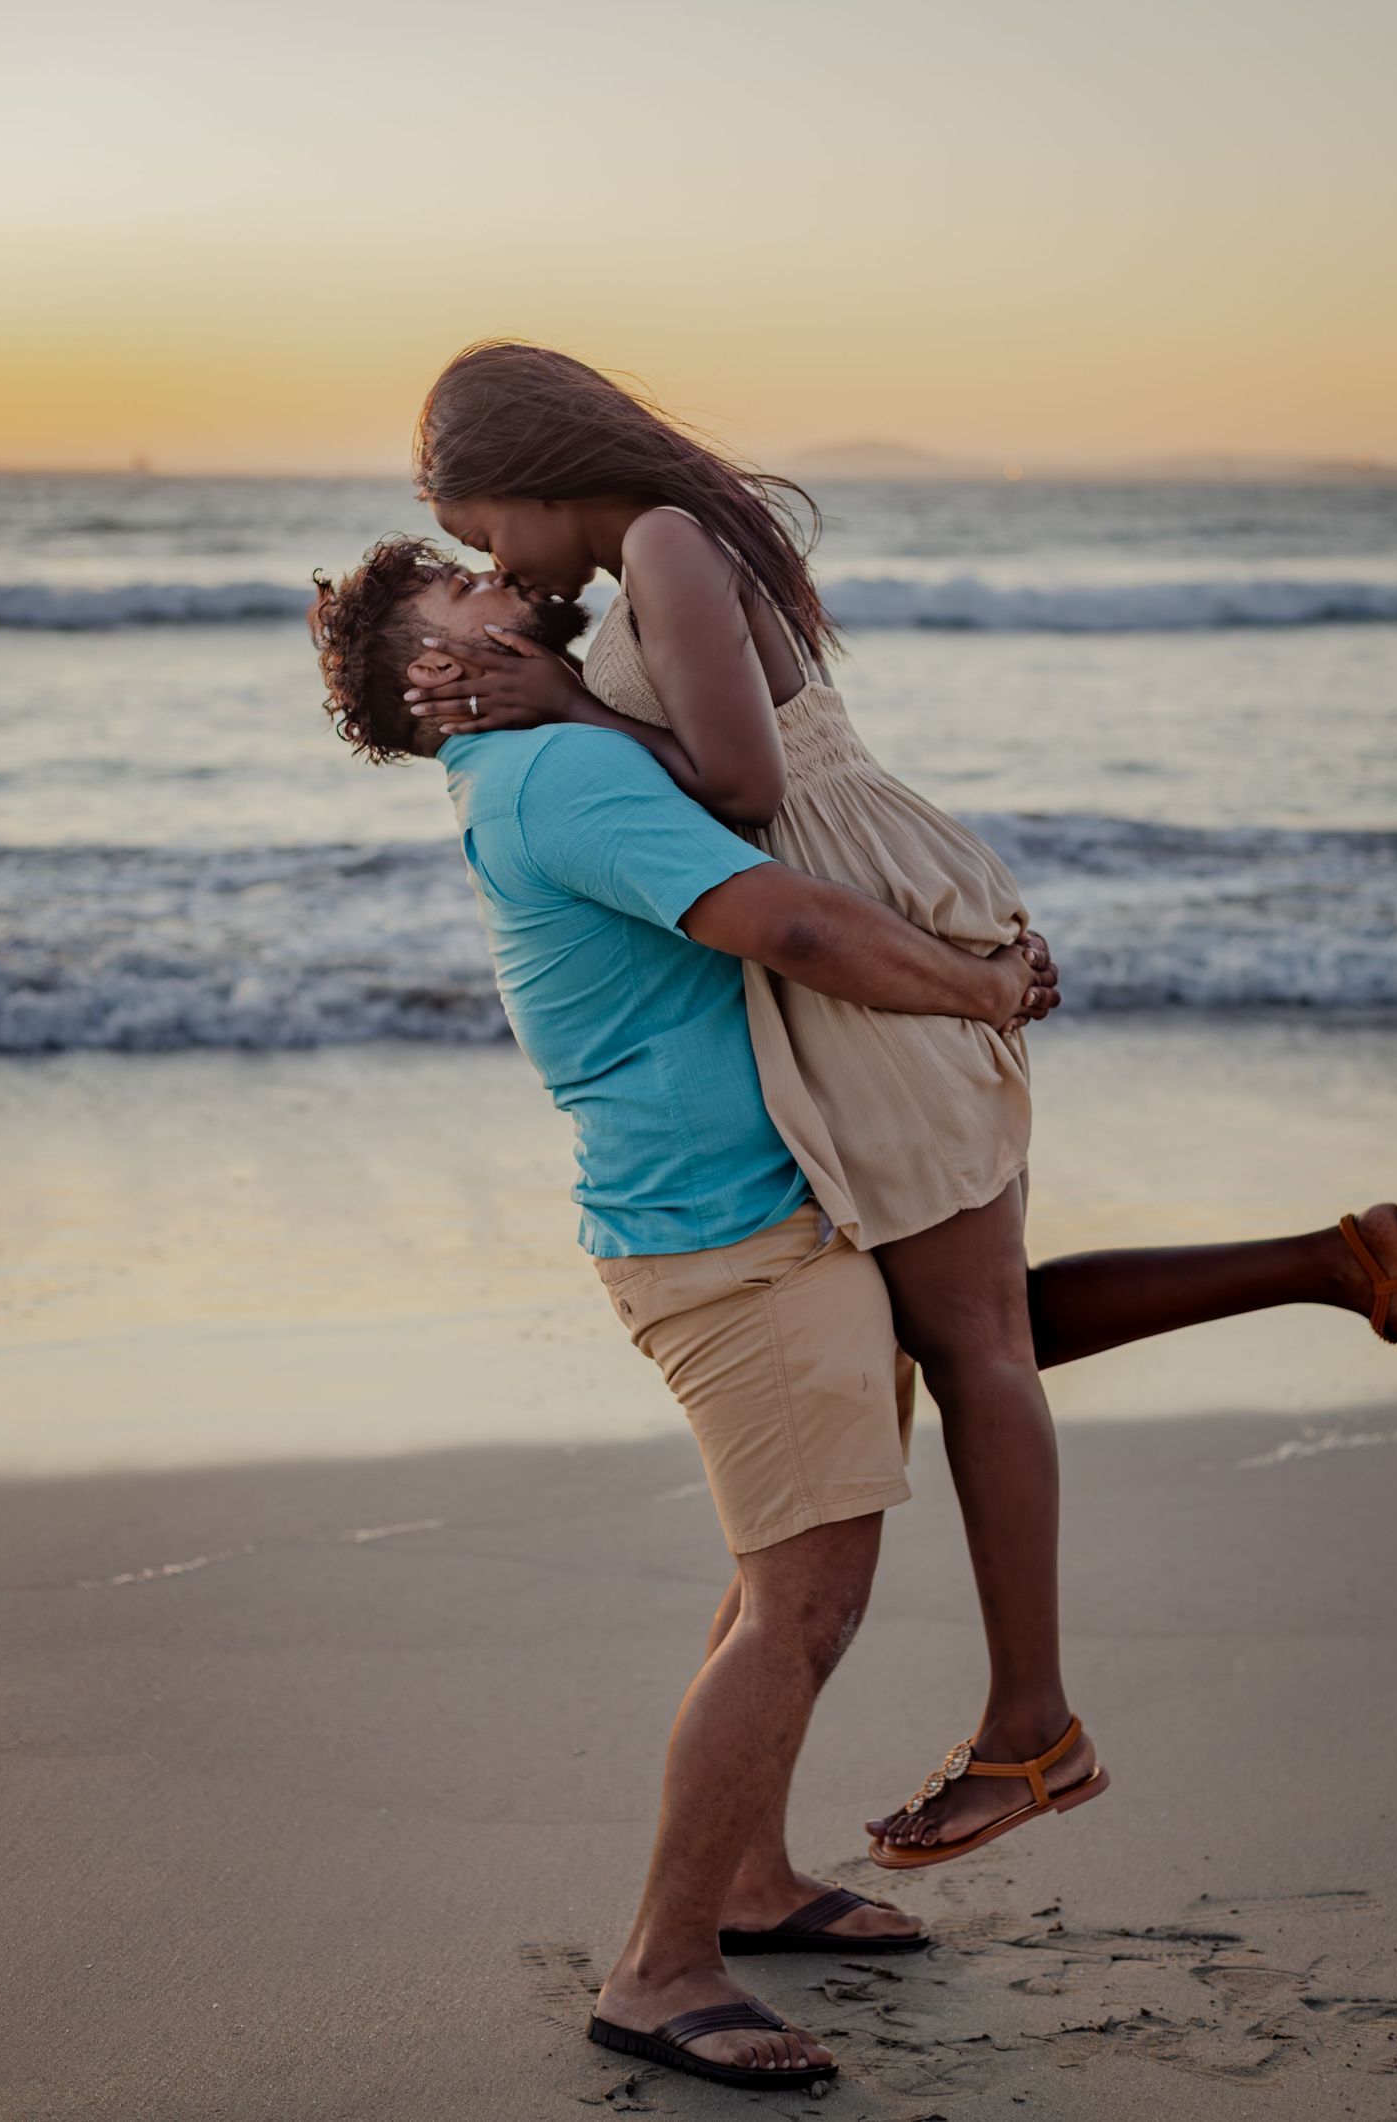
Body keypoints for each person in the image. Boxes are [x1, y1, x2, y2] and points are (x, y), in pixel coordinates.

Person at [401, 343, 1397, 1864]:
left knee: (975, 1344)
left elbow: (738, 786)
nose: (487, 558)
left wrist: (568, 702)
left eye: (480, 522)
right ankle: (1339, 1260)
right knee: (974, 1325)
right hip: (869, 925)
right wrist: (566, 697)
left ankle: (1033, 1728)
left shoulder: (660, 538)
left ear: (533, 466)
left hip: (862, 933)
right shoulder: (668, 539)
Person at [308, 536, 1065, 2092]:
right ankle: (661, 1965)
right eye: (463, 586)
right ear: (427, 679)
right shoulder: (549, 783)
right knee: (808, 1597)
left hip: (758, 1209)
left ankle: (749, 1878)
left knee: (778, 1576)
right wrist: (977, 987)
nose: (501, 573)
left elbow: (744, 804)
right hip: (731, 1236)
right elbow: (783, 920)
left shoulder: (544, 758)